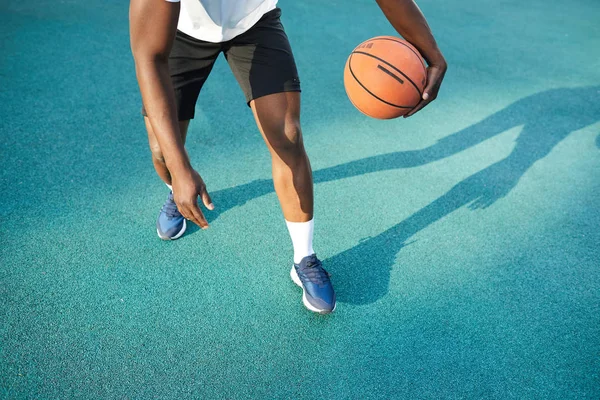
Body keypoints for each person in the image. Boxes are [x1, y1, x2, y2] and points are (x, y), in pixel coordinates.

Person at [129, 0, 447, 314]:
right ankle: (176, 191)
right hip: (180, 31)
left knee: (288, 136)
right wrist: (180, 167)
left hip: (254, 22)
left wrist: (431, 53)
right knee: (162, 149)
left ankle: (304, 258)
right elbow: (149, 56)